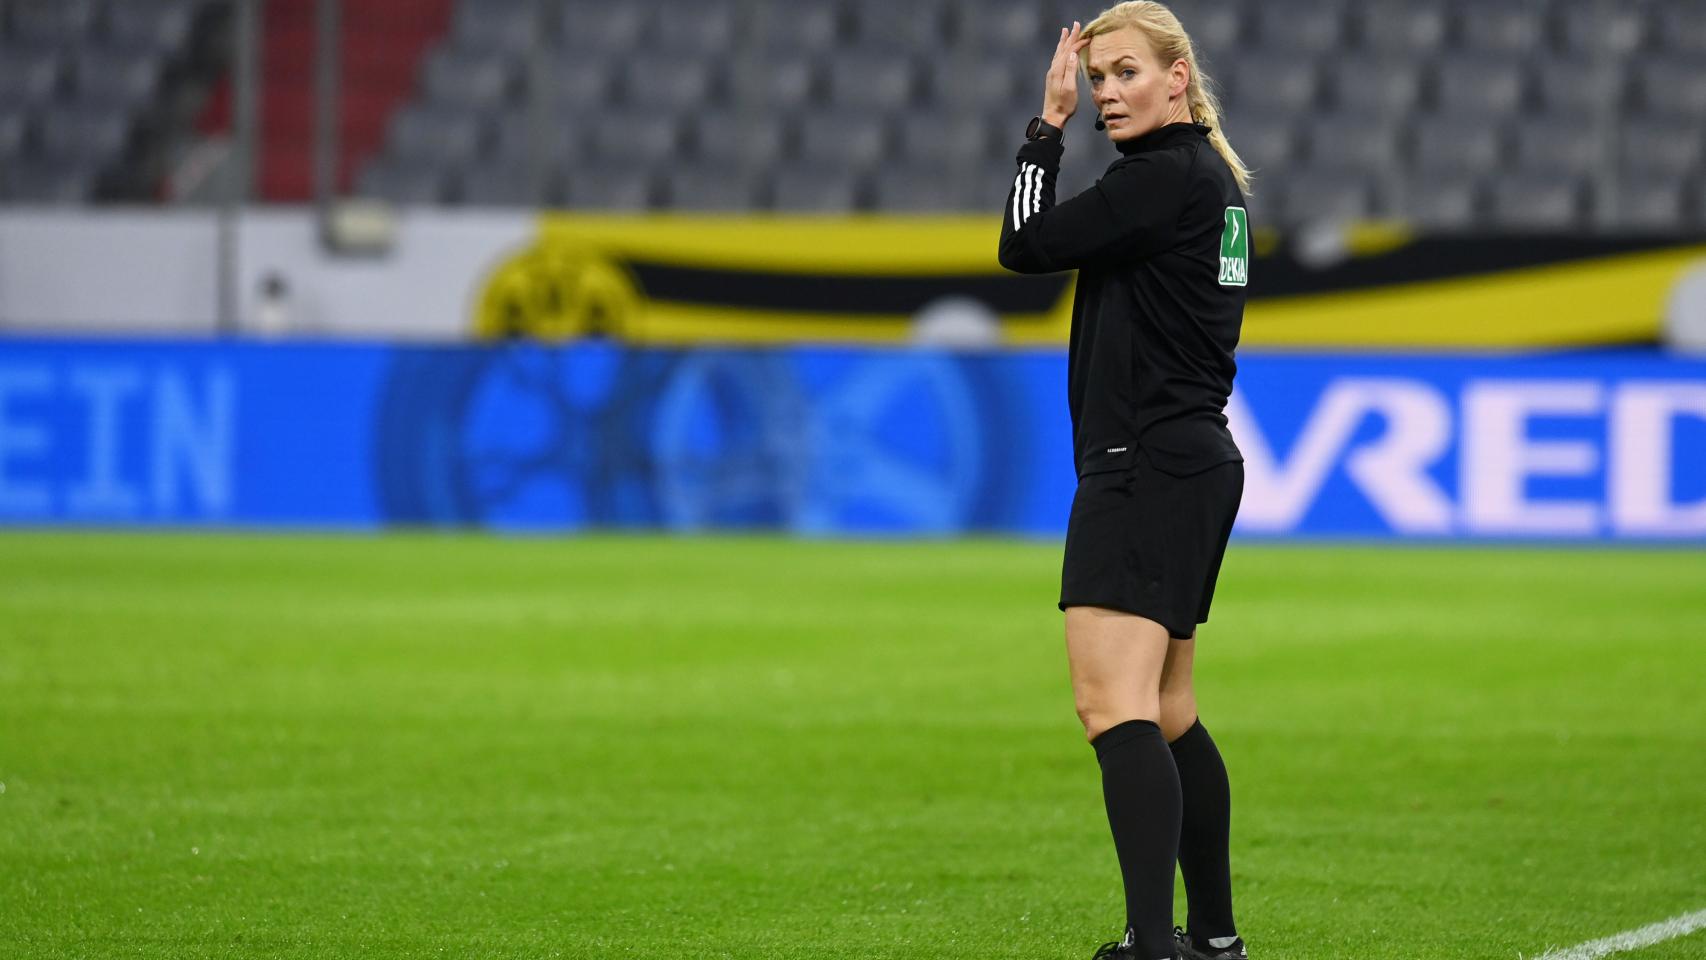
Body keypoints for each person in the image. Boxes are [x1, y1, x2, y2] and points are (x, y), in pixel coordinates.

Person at [995, 4, 1253, 960]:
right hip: (1191, 460)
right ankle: (1213, 943)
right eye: (1095, 79)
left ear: (1178, 76)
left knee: (1114, 710)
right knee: (1168, 710)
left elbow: (1023, 245)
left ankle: (1154, 949)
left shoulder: (1158, 179)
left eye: (1126, 73)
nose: (1106, 92)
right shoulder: (1213, 182)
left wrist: (1043, 130)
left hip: (1141, 465)